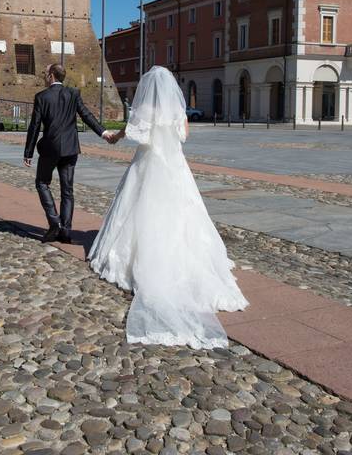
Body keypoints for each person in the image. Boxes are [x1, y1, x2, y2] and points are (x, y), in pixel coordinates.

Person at [88, 66, 248, 349]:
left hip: (149, 164)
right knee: (184, 211)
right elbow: (184, 135)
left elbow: (136, 133)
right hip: (174, 166)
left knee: (137, 207)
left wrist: (116, 136)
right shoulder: (176, 108)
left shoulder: (145, 107)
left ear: (148, 87)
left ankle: (143, 258)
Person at [23, 64, 114, 242]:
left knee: (42, 183)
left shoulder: (42, 97)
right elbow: (86, 115)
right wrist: (103, 133)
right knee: (67, 190)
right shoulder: (73, 94)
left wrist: (28, 152)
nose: (43, 76)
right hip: (71, 149)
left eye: (45, 73)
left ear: (51, 76)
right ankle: (65, 230)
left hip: (50, 148)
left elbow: (35, 126)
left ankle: (54, 222)